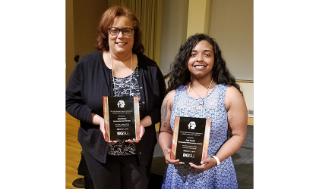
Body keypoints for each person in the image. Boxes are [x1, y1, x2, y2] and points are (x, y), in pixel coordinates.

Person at [66, 6, 166, 189]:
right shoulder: (87, 65)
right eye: (114, 30)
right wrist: (99, 121)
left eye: (127, 30)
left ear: (134, 34)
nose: (121, 36)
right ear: (106, 33)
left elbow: (162, 106)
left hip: (138, 153)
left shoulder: (149, 68)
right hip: (99, 152)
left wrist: (142, 123)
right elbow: (71, 102)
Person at [158, 33, 247, 188]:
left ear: (215, 59)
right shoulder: (172, 96)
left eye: (207, 54)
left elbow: (238, 135)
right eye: (193, 54)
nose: (199, 59)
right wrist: (166, 150)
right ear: (186, 60)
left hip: (216, 173)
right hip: (179, 175)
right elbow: (165, 131)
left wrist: (216, 159)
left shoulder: (229, 94)